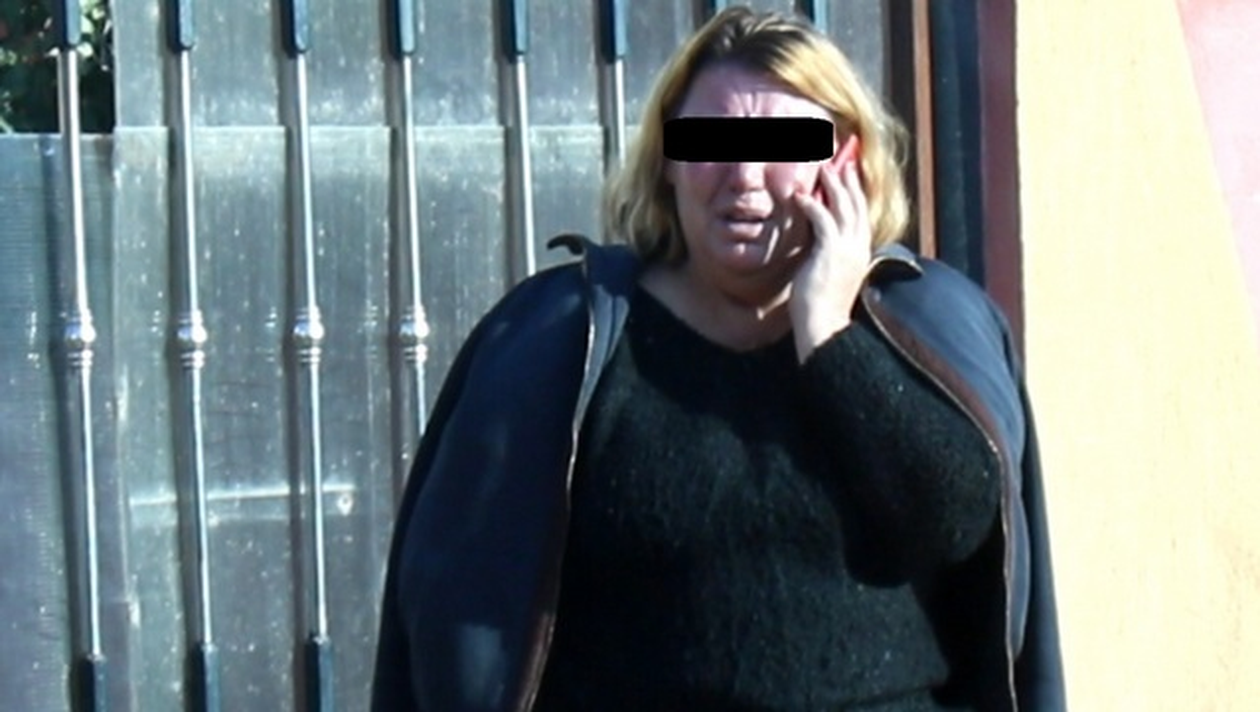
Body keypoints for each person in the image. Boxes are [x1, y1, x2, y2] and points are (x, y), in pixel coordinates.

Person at [371, 7, 1063, 711]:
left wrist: (828, 334)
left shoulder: (931, 326)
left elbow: (954, 529)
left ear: (844, 162)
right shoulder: (558, 340)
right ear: (667, 160)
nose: (744, 176)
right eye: (708, 140)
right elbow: (453, 610)